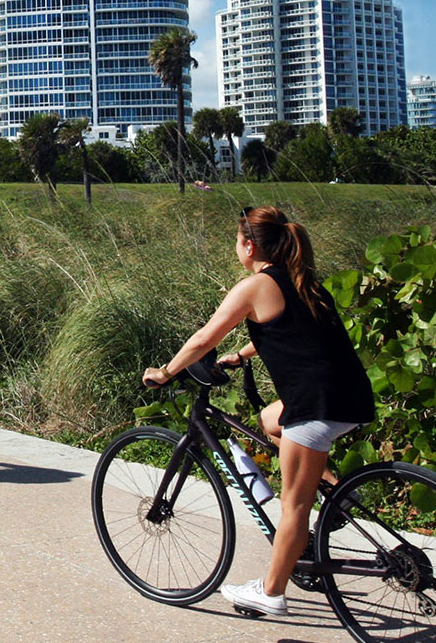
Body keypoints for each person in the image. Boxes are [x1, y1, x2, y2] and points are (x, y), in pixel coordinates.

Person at [140, 206, 376, 619]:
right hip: (350, 393)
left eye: (237, 241)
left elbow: (201, 339)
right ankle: (338, 493)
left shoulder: (255, 286)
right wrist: (242, 353)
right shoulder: (304, 281)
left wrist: (165, 372)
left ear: (249, 245)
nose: (236, 248)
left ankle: (271, 592)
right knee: (270, 420)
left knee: (294, 505)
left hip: (317, 404)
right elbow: (294, 330)